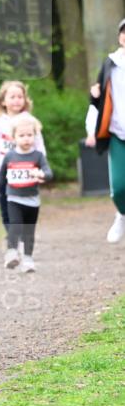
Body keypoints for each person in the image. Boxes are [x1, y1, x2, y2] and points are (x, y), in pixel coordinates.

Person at [0, 112, 53, 272]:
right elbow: (1, 177)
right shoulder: (10, 156)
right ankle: (12, 253)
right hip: (13, 199)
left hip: (32, 200)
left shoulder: (38, 156)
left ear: (34, 136)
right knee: (15, 226)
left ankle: (28, 259)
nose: (26, 138)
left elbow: (49, 173)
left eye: (30, 135)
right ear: (13, 137)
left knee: (29, 232)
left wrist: (41, 174)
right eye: (22, 135)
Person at [0, 80, 47, 240]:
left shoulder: (29, 120)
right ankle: (12, 234)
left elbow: (39, 144)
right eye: (12, 96)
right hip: (4, 173)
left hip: (26, 171)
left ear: (25, 100)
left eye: (20, 96)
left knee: (23, 205)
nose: (16, 100)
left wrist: (42, 168)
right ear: (3, 100)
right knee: (5, 206)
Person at [85, 17, 125, 243]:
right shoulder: (110, 63)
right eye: (124, 32)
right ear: (119, 37)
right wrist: (92, 130)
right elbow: (97, 101)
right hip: (119, 133)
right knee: (120, 188)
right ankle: (122, 214)